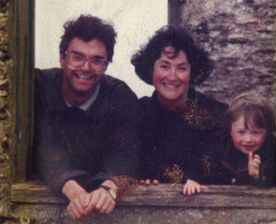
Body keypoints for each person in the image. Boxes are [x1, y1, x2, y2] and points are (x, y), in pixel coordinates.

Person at [35, 15, 141, 220]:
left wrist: (109, 187)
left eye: (97, 60)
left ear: (106, 65)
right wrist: (71, 189)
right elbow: (40, 144)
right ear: (62, 58)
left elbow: (126, 152)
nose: (85, 67)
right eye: (77, 56)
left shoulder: (120, 97)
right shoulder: (38, 88)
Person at [131, 26, 228, 195]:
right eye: (165, 66)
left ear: (192, 73)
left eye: (181, 68)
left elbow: (219, 167)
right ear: (150, 70)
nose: (172, 76)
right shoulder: (137, 113)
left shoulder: (217, 114)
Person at [219, 94, 276, 186]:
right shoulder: (223, 149)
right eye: (241, 132)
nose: (248, 139)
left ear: (267, 132)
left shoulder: (272, 152)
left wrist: (257, 176)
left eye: (255, 132)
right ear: (230, 131)